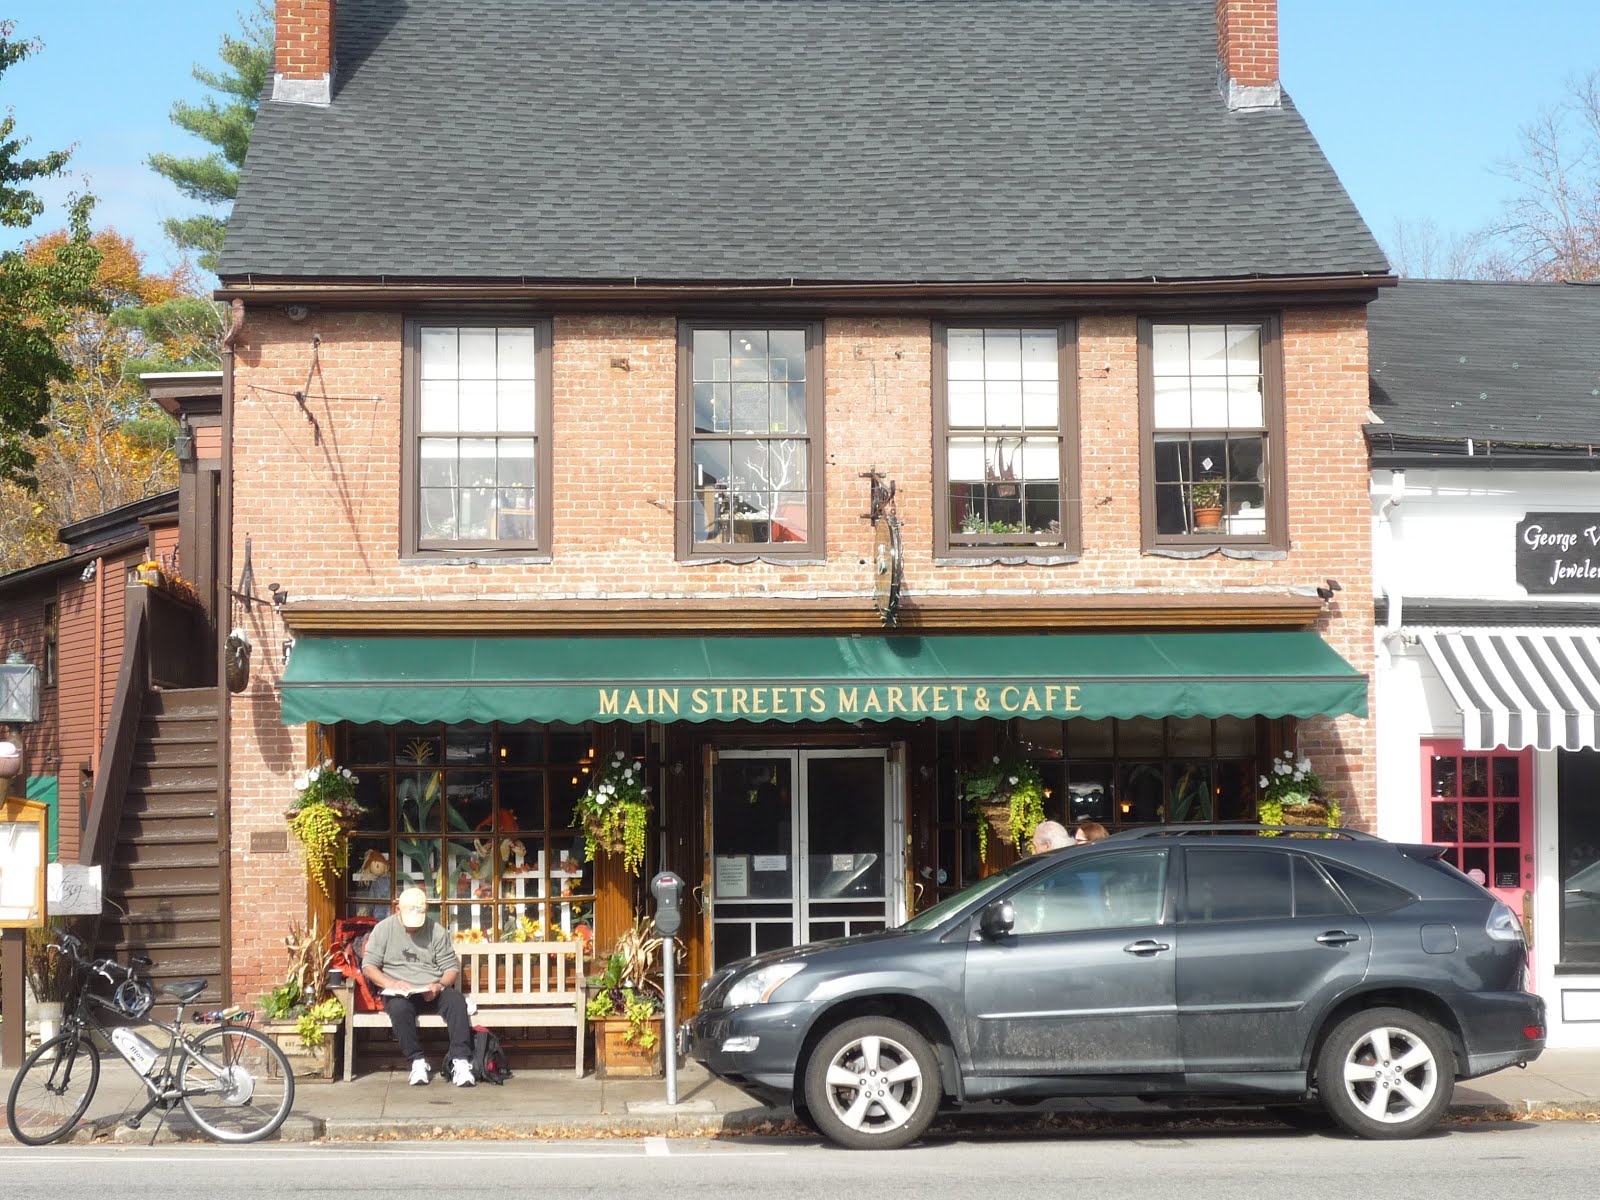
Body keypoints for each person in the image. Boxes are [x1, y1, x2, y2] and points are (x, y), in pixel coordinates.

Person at [362, 887, 476, 1087]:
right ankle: (416, 1061)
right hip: (398, 991)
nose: (412, 928)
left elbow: (451, 968)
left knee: (456, 1001)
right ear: (397, 910)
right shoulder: (383, 929)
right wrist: (391, 983)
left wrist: (439, 985)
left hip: (430, 989)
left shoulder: (436, 931)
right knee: (399, 1008)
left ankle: (461, 1061)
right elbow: (369, 966)